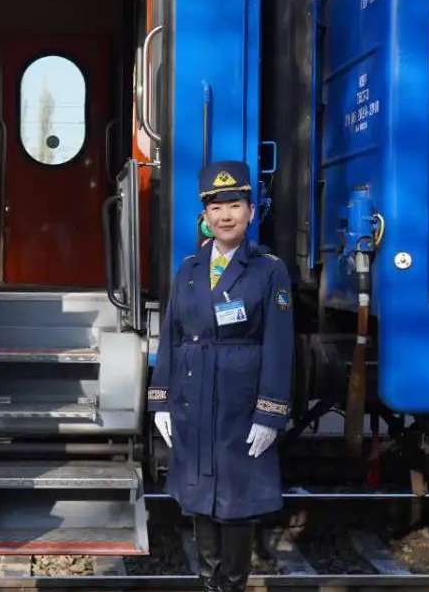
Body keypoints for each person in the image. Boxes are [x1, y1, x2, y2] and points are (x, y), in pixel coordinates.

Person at [146, 160, 293, 592]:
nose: (225, 215)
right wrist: (160, 398)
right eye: (215, 207)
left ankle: (230, 584)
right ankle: (209, 582)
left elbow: (279, 346)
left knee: (237, 504)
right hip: (193, 400)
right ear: (204, 216)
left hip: (238, 405)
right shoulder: (189, 269)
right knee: (198, 500)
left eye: (234, 205)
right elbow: (171, 336)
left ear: (251, 210)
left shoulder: (268, 271)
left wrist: (270, 413)